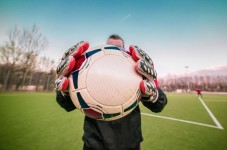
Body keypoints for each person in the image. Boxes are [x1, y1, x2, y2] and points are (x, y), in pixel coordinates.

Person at [55, 34, 167, 150]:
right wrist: (66, 89)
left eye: (118, 48)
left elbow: (159, 104)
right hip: (95, 145)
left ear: (124, 51)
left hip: (130, 144)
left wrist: (152, 91)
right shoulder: (88, 73)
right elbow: (66, 104)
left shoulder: (136, 72)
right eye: (110, 47)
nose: (113, 51)